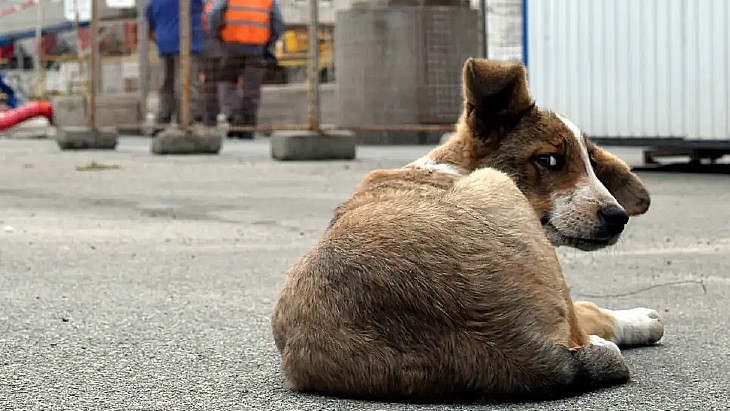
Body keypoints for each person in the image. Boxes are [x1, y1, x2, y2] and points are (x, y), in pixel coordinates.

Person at [206, 0, 284, 139]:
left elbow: (213, 14)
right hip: (256, 47)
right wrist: (267, 43)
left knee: (227, 81)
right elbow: (278, 24)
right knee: (251, 88)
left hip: (231, 44)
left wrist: (217, 35)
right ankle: (247, 125)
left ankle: (233, 117)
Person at [145, 0, 205, 126]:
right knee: (186, 82)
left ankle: (162, 119)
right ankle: (185, 119)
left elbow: (148, 18)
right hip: (188, 41)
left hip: (164, 42)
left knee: (166, 83)